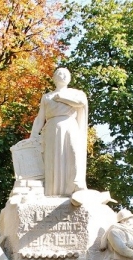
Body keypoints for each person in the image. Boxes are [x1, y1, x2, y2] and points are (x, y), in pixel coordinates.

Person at [30, 67, 88, 196]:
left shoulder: (75, 93)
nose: (62, 75)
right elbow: (40, 118)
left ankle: (75, 185)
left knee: (73, 153)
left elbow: (81, 103)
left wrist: (62, 98)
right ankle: (52, 191)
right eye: (59, 73)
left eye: (66, 73)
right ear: (54, 78)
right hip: (51, 128)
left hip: (70, 126)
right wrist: (33, 135)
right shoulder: (47, 97)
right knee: (51, 159)